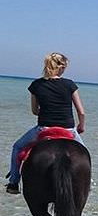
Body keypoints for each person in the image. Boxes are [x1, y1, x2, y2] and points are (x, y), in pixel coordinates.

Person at [5, 52, 86, 194]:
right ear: (60, 67)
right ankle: (86, 183)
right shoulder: (70, 85)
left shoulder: (36, 85)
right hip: (69, 129)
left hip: (44, 128)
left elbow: (35, 111)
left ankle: (13, 183)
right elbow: (81, 112)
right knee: (85, 154)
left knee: (17, 148)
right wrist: (81, 126)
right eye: (65, 67)